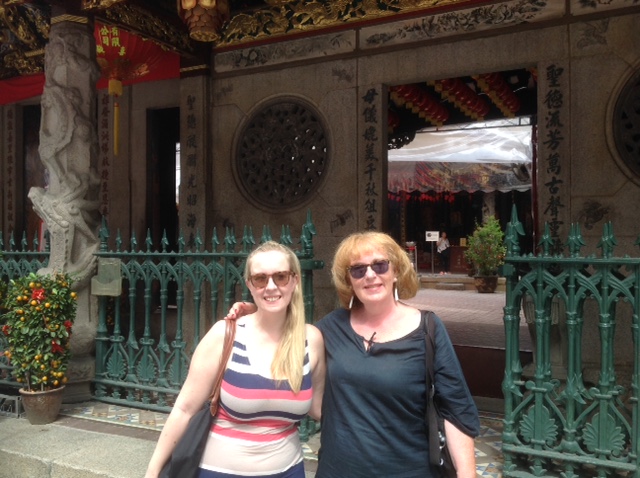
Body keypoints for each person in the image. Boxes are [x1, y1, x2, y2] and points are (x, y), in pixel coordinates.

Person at [229, 232, 480, 478]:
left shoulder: (427, 329)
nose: (370, 275)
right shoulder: (332, 327)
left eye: (380, 265)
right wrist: (259, 312)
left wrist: (467, 473)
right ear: (349, 280)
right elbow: (288, 338)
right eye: (358, 270)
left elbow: (456, 409)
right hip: (337, 470)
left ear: (396, 271)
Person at [145, 241, 325, 478]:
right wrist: (153, 471)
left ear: (295, 281)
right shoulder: (225, 335)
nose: (271, 286)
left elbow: (319, 408)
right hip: (219, 472)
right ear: (249, 284)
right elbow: (184, 409)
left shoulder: (311, 339)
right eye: (260, 279)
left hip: (288, 471)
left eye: (281, 277)